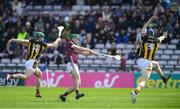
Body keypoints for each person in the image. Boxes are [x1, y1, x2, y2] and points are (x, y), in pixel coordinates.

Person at [6, 31, 61, 98]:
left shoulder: (30, 41)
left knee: (39, 74)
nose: (43, 39)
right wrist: (58, 39)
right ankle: (10, 76)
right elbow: (54, 45)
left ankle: (37, 92)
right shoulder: (43, 44)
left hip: (29, 62)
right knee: (26, 77)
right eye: (42, 38)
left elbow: (21, 41)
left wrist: (12, 40)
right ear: (40, 38)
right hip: (33, 62)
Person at [131, 15, 171, 104]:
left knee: (156, 64)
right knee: (144, 82)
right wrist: (164, 35)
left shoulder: (143, 38)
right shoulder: (156, 41)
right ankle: (135, 92)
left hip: (140, 61)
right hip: (147, 62)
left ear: (147, 33)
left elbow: (144, 26)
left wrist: (151, 19)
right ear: (153, 34)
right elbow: (162, 37)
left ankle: (163, 78)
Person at [59, 24, 97, 102]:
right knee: (77, 78)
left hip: (75, 64)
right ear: (73, 38)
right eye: (77, 39)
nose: (78, 40)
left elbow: (83, 53)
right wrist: (89, 49)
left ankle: (63, 96)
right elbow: (79, 48)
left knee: (77, 84)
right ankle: (77, 94)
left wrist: (92, 53)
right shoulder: (70, 43)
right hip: (71, 63)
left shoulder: (74, 46)